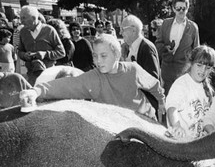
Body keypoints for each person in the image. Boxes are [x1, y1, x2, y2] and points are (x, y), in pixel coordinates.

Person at [19, 34, 166, 121]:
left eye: (103, 56)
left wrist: (161, 102)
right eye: (95, 56)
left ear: (116, 54)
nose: (98, 61)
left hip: (144, 122)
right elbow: (67, 85)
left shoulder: (133, 69)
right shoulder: (93, 78)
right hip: (118, 128)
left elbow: (154, 85)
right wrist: (36, 91)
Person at [165, 45, 215, 139]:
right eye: (199, 65)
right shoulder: (181, 84)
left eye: (208, 68)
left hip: (198, 142)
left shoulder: (206, 88)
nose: (203, 70)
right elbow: (172, 108)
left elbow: (207, 117)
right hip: (181, 142)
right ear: (191, 63)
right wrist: (176, 126)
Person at [156, 0, 200, 94]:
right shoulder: (166, 23)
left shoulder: (193, 27)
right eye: (178, 8)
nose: (181, 11)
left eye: (183, 8)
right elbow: (158, 43)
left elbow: (196, 51)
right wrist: (165, 48)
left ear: (187, 9)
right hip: (167, 70)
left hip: (183, 71)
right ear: (173, 9)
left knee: (181, 101)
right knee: (167, 100)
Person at [120, 14, 162, 119]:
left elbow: (152, 79)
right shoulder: (131, 47)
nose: (121, 33)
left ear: (133, 30)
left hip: (148, 105)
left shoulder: (146, 48)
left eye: (123, 29)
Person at [18, 6, 65, 85]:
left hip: (49, 75)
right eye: (20, 18)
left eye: (23, 18)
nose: (21, 22)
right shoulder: (23, 32)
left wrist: (45, 54)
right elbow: (20, 51)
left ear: (33, 18)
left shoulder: (49, 30)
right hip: (32, 75)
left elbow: (61, 52)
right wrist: (24, 55)